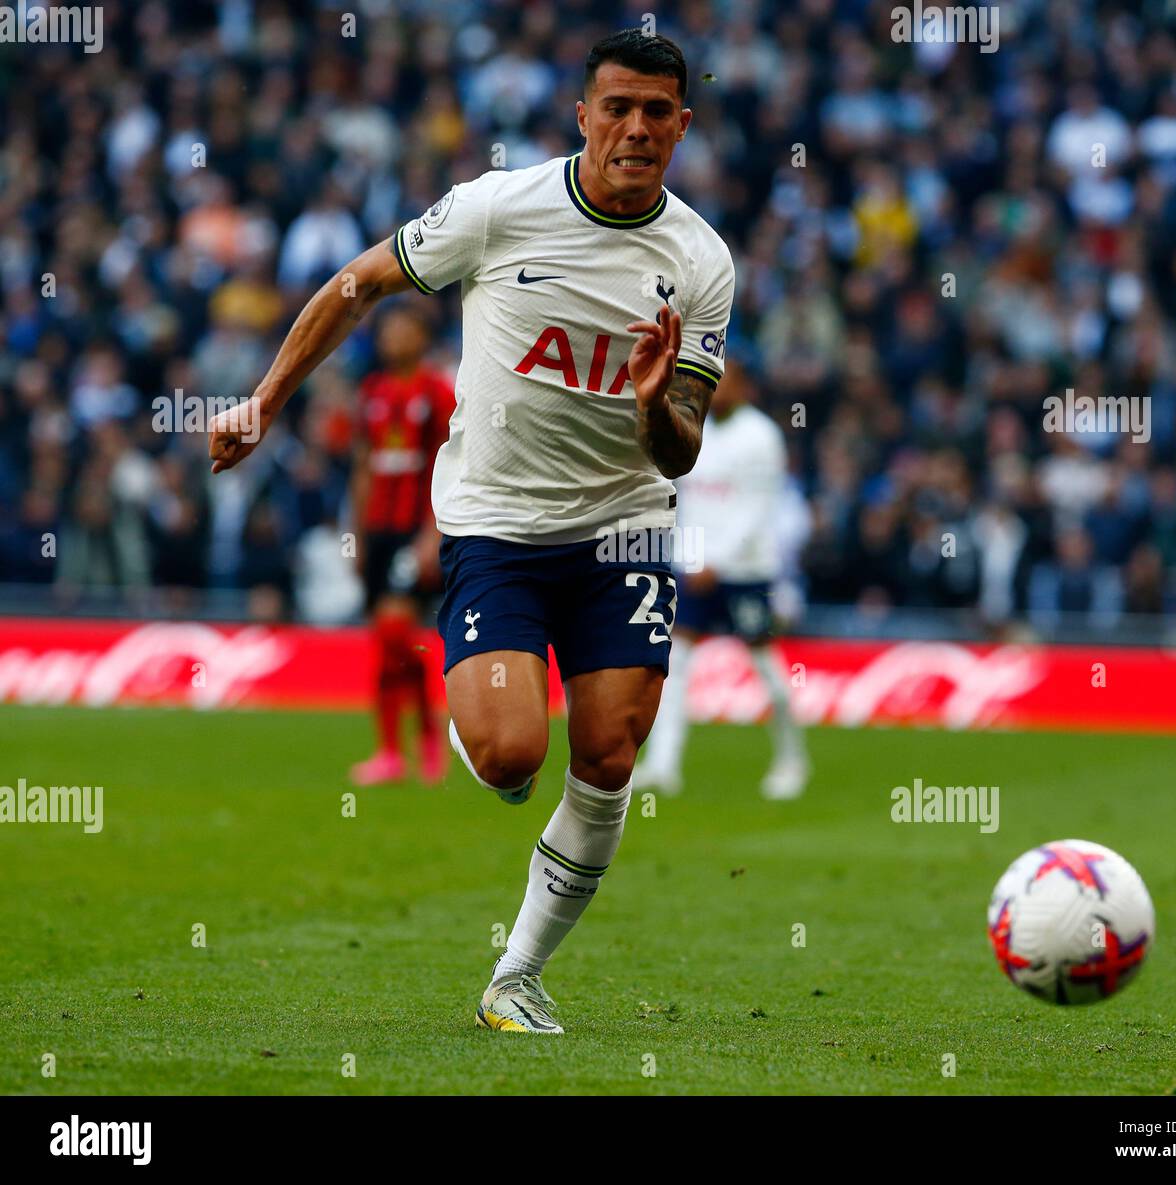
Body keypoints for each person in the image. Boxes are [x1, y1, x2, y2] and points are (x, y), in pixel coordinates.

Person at [208, 29, 734, 1035]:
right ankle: (486, 714)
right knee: (506, 758)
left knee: (612, 755)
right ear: (581, 115)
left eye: (656, 112)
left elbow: (679, 454)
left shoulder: (700, 262)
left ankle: (516, 975)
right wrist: (265, 402)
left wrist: (655, 404)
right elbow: (359, 283)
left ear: (682, 125)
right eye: (615, 107)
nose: (634, 128)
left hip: (625, 525)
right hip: (496, 524)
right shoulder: (499, 208)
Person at [635, 357, 810, 799]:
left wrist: (720, 560)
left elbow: (757, 510)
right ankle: (663, 765)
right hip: (696, 568)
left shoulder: (761, 436)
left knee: (766, 666)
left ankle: (792, 759)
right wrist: (689, 557)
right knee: (674, 665)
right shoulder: (697, 428)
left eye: (726, 379)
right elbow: (688, 501)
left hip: (746, 571)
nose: (716, 386)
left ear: (745, 385)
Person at [349, 304, 456, 786]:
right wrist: (355, 537)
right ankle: (391, 751)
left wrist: (433, 531)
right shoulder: (371, 393)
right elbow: (363, 466)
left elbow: (449, 462)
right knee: (385, 642)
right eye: (387, 330)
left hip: (416, 527)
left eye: (403, 328)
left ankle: (424, 737)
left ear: (421, 335)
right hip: (378, 529)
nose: (393, 338)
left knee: (395, 631)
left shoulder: (436, 392)